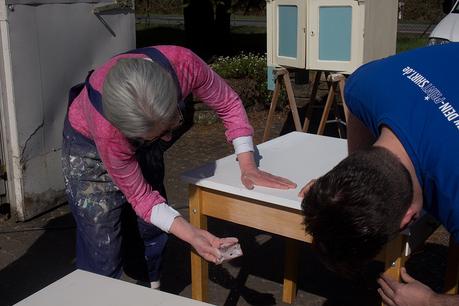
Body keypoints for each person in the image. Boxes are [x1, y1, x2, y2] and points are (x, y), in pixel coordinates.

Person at [61, 45, 296, 288]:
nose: (166, 140)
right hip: (87, 148)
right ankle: (99, 291)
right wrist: (190, 233)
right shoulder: (109, 132)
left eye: (171, 125)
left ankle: (150, 286)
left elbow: (228, 104)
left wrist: (248, 164)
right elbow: (141, 197)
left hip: (134, 130)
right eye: (154, 136)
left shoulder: (183, 64)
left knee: (150, 229)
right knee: (102, 242)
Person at [299, 43, 459, 305]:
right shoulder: (365, 84)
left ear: (407, 219)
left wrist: (433, 301)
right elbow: (356, 109)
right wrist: (343, 191)